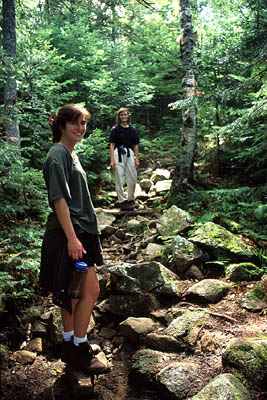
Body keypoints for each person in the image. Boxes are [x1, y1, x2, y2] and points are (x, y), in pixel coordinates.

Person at [39, 104, 109, 376]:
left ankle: (70, 343)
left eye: (84, 123)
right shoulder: (58, 154)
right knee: (91, 291)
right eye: (75, 123)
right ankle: (80, 349)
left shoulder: (70, 153)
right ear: (61, 125)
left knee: (73, 293)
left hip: (79, 231)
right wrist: (72, 238)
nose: (81, 128)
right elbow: (59, 199)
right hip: (72, 232)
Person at [109, 107, 140, 211]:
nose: (124, 116)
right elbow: (112, 144)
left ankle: (130, 199)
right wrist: (112, 160)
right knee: (119, 177)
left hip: (130, 154)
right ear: (119, 116)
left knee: (132, 177)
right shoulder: (115, 129)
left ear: (128, 116)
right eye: (122, 115)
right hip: (118, 153)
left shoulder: (132, 129)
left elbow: (135, 145)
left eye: (125, 114)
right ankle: (122, 201)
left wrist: (137, 159)